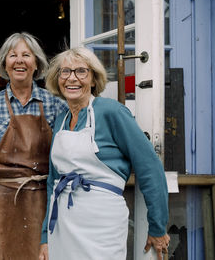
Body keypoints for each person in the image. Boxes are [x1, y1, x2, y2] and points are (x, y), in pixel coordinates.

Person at [38, 47, 170, 260]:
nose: (72, 78)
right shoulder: (61, 120)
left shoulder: (112, 112)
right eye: (65, 72)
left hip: (102, 224)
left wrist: (157, 226)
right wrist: (45, 236)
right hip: (62, 224)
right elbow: (53, 182)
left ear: (93, 79)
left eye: (81, 71)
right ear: (57, 78)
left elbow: (150, 168)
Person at [0, 32, 67, 260]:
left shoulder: (55, 104)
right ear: (5, 64)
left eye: (26, 55)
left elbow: (65, 159)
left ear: (37, 64)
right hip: (1, 203)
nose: (19, 60)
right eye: (13, 55)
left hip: (43, 202)